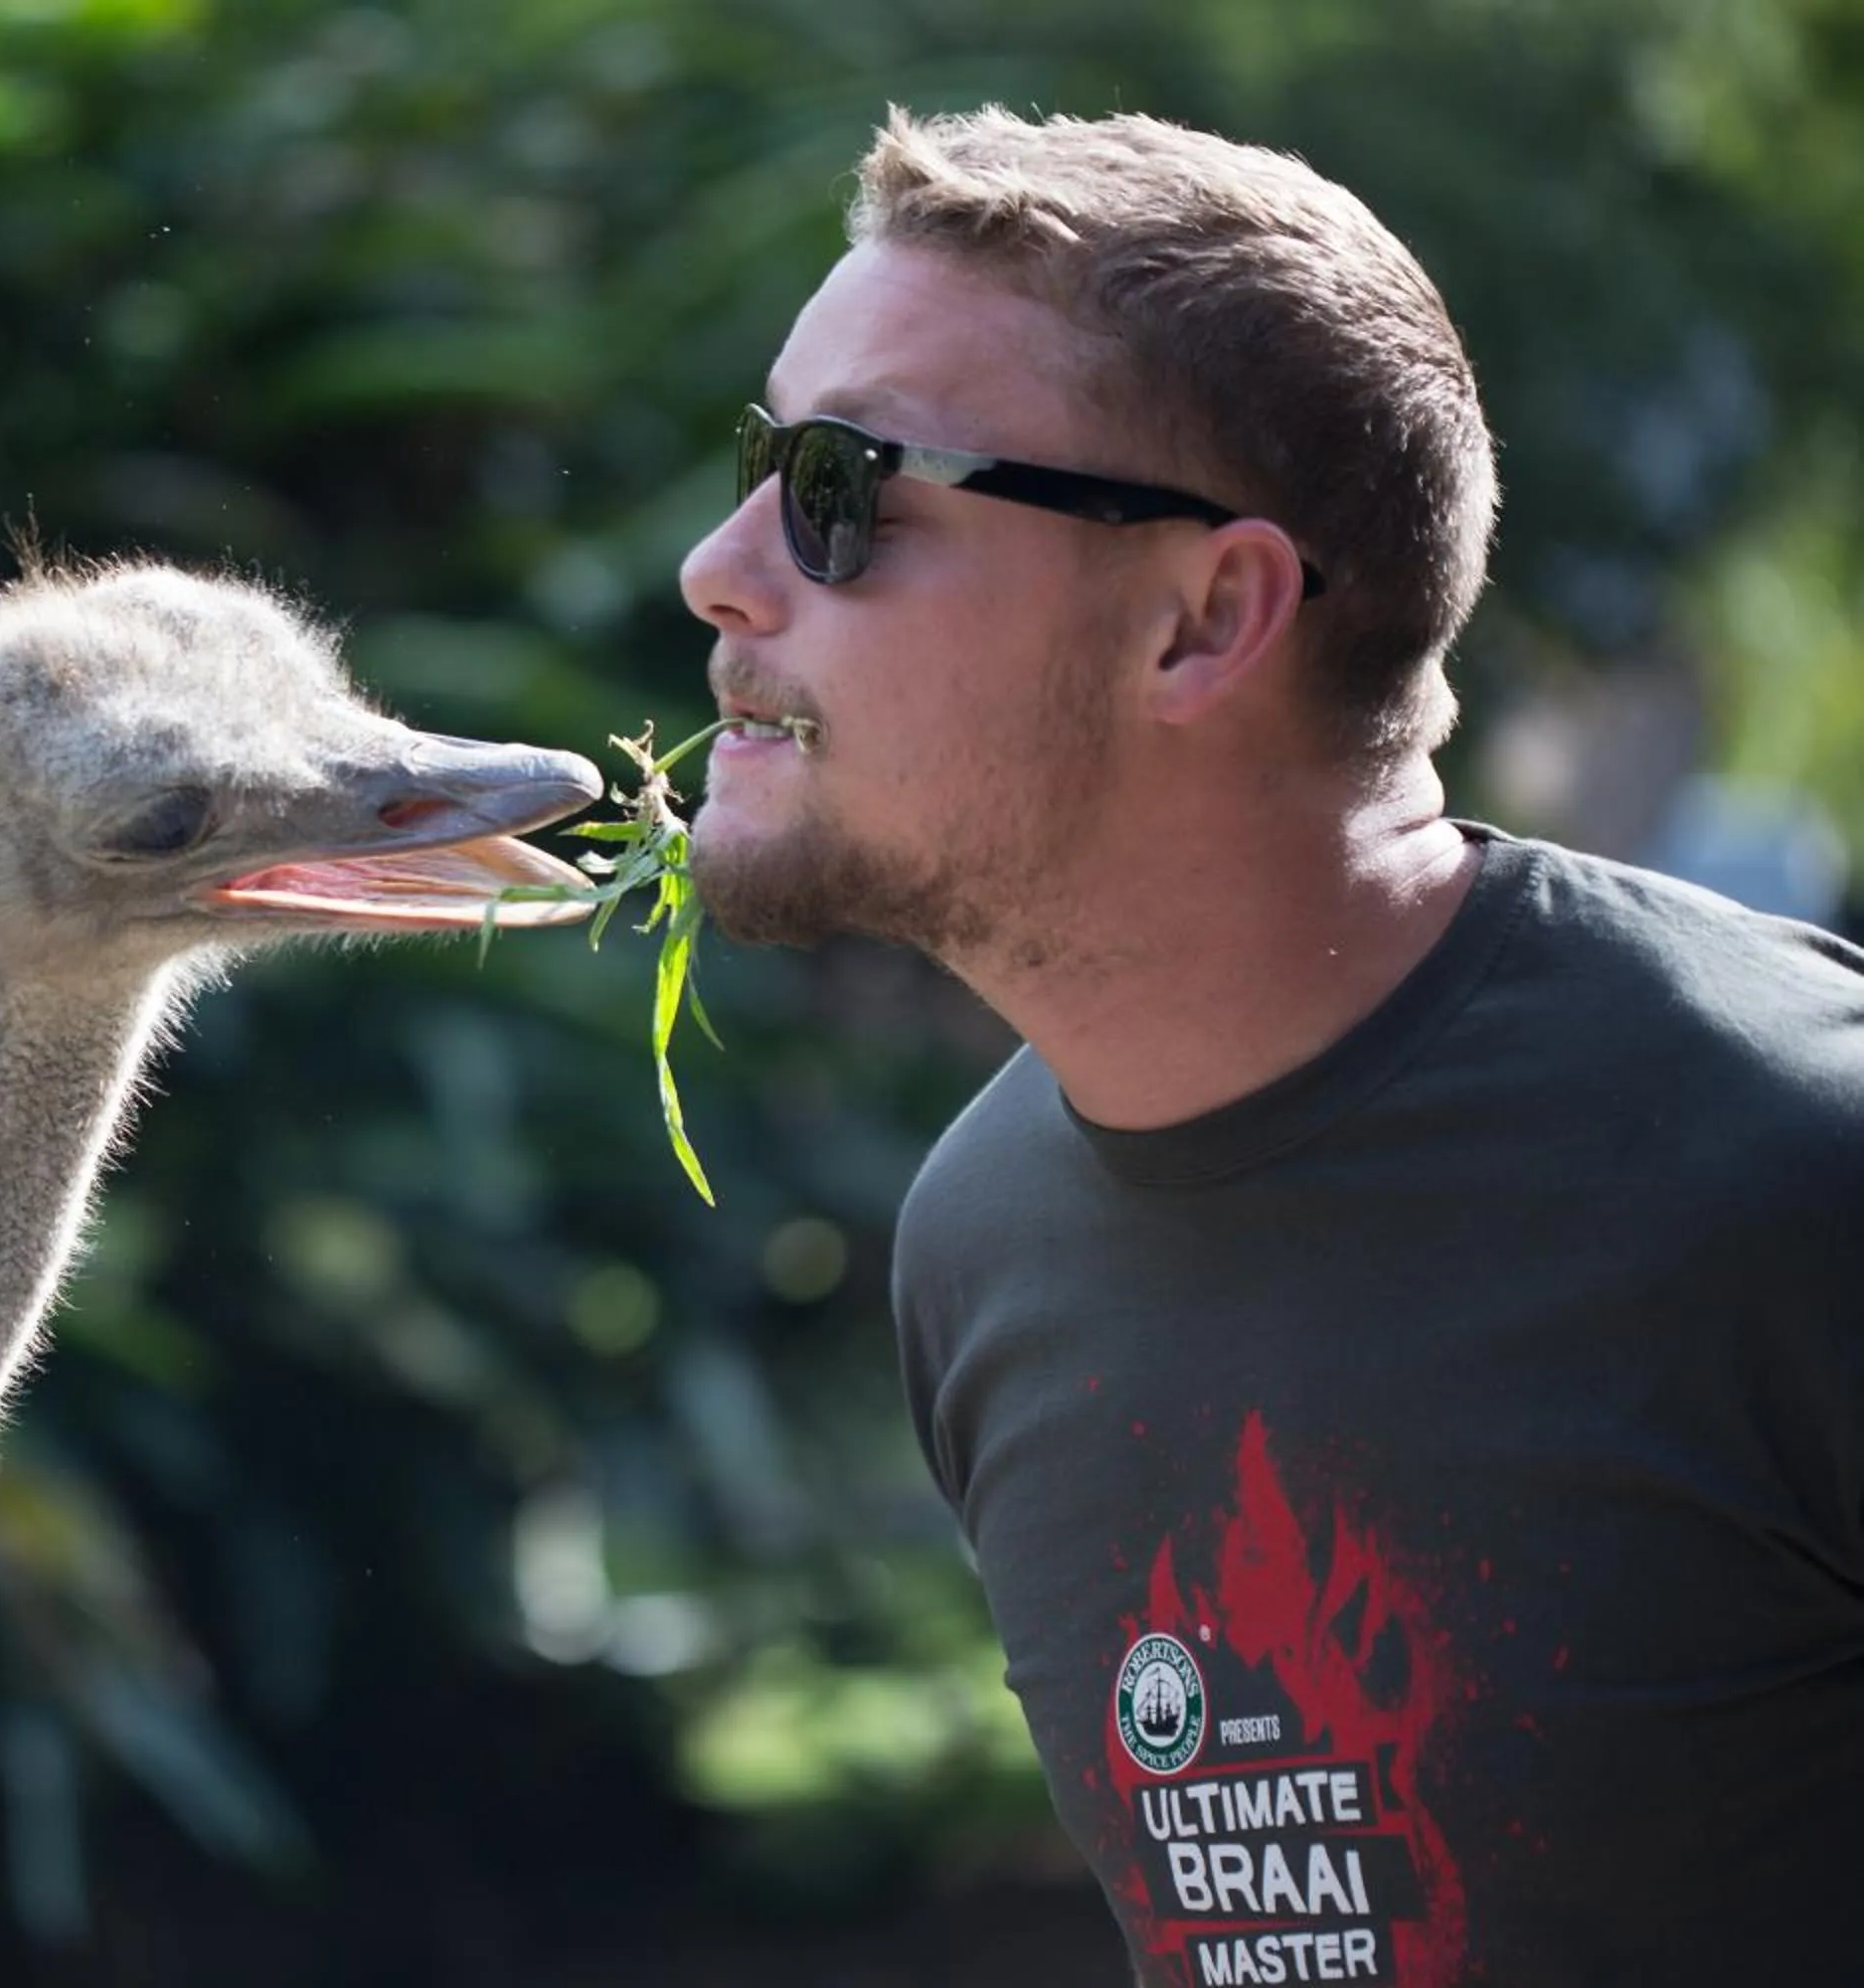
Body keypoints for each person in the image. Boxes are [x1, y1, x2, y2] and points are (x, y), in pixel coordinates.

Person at [680, 104, 1864, 1987]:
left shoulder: (1798, 1168)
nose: (719, 570)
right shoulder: (981, 1250)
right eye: (759, 462)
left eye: (842, 485)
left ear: (1205, 618)